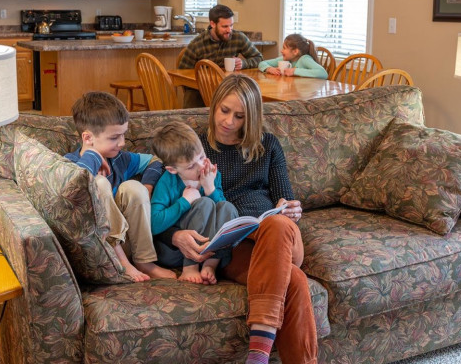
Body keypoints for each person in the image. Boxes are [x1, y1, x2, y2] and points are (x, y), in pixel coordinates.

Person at [158, 75, 317, 364]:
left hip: (277, 236)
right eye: (224, 110)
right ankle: (264, 356)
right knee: (292, 281)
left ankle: (257, 354)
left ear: (252, 117)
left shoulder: (268, 145)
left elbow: (285, 197)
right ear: (214, 106)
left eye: (239, 116)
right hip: (231, 246)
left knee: (279, 224)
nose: (229, 121)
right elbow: (159, 198)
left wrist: (290, 208)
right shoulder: (193, 147)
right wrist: (174, 236)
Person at [65, 91, 176, 282]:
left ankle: (144, 261)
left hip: (127, 243)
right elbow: (76, 183)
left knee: (134, 187)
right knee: (98, 183)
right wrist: (93, 156)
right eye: (114, 137)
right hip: (97, 249)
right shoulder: (69, 164)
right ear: (88, 138)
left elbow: (156, 160)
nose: (122, 143)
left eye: (123, 135)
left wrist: (147, 187)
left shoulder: (120, 159)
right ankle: (122, 263)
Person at [149, 121, 238, 284]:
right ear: (172, 169)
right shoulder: (167, 183)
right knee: (203, 203)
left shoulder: (211, 174)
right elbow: (153, 224)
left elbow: (222, 213)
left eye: (202, 157)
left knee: (227, 207)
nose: (200, 167)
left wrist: (210, 188)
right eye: (191, 166)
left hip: (210, 250)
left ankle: (210, 265)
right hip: (174, 252)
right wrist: (184, 202)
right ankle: (190, 268)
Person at [179, 4, 264, 107]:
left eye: (231, 25)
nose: (229, 30)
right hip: (200, 92)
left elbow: (259, 58)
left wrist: (243, 63)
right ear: (213, 24)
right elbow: (182, 73)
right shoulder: (197, 45)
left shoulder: (238, 38)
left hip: (230, 89)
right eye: (225, 26)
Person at [258, 33, 328, 79]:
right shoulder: (284, 60)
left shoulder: (304, 59)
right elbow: (262, 63)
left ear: (295, 51)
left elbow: (323, 73)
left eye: (284, 48)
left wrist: (295, 71)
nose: (281, 51)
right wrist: (269, 69)